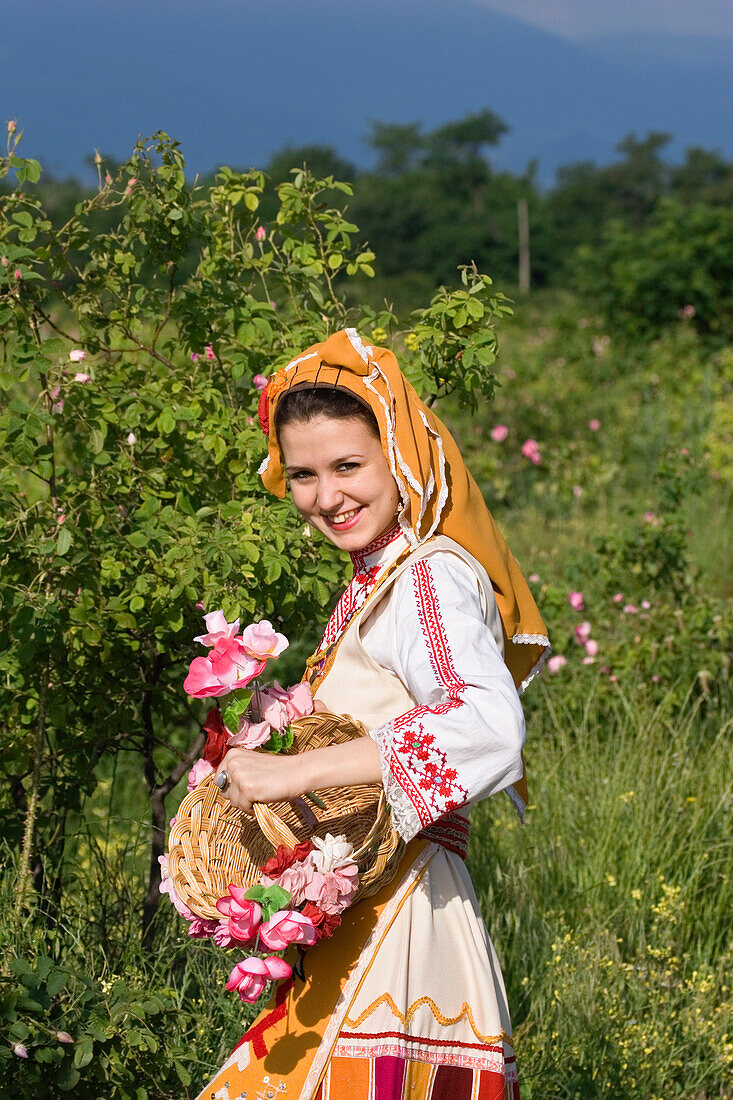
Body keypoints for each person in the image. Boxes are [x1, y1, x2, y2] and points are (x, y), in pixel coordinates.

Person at [195, 328, 549, 1100]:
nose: (327, 497)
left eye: (348, 466)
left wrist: (294, 769)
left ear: (401, 459)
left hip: (406, 913)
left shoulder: (425, 578)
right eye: (304, 476)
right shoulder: (375, 583)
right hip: (375, 903)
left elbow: (487, 725)